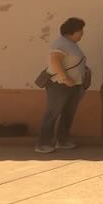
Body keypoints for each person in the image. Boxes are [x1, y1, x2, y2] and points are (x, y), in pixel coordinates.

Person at [36, 17, 90, 154]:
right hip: (59, 85)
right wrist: (65, 78)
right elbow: (55, 60)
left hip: (74, 85)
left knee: (68, 113)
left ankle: (63, 140)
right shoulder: (61, 43)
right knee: (52, 113)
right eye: (80, 31)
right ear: (73, 31)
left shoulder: (72, 44)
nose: (82, 34)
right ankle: (44, 144)